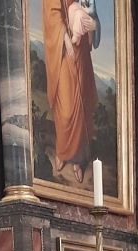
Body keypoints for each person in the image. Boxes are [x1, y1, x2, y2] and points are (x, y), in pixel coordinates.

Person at [43, 0, 98, 183]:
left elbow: (92, 13)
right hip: (63, 50)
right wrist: (65, 39)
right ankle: (62, 150)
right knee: (66, 111)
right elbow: (51, 12)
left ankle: (78, 160)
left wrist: (93, 25)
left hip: (81, 53)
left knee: (81, 107)